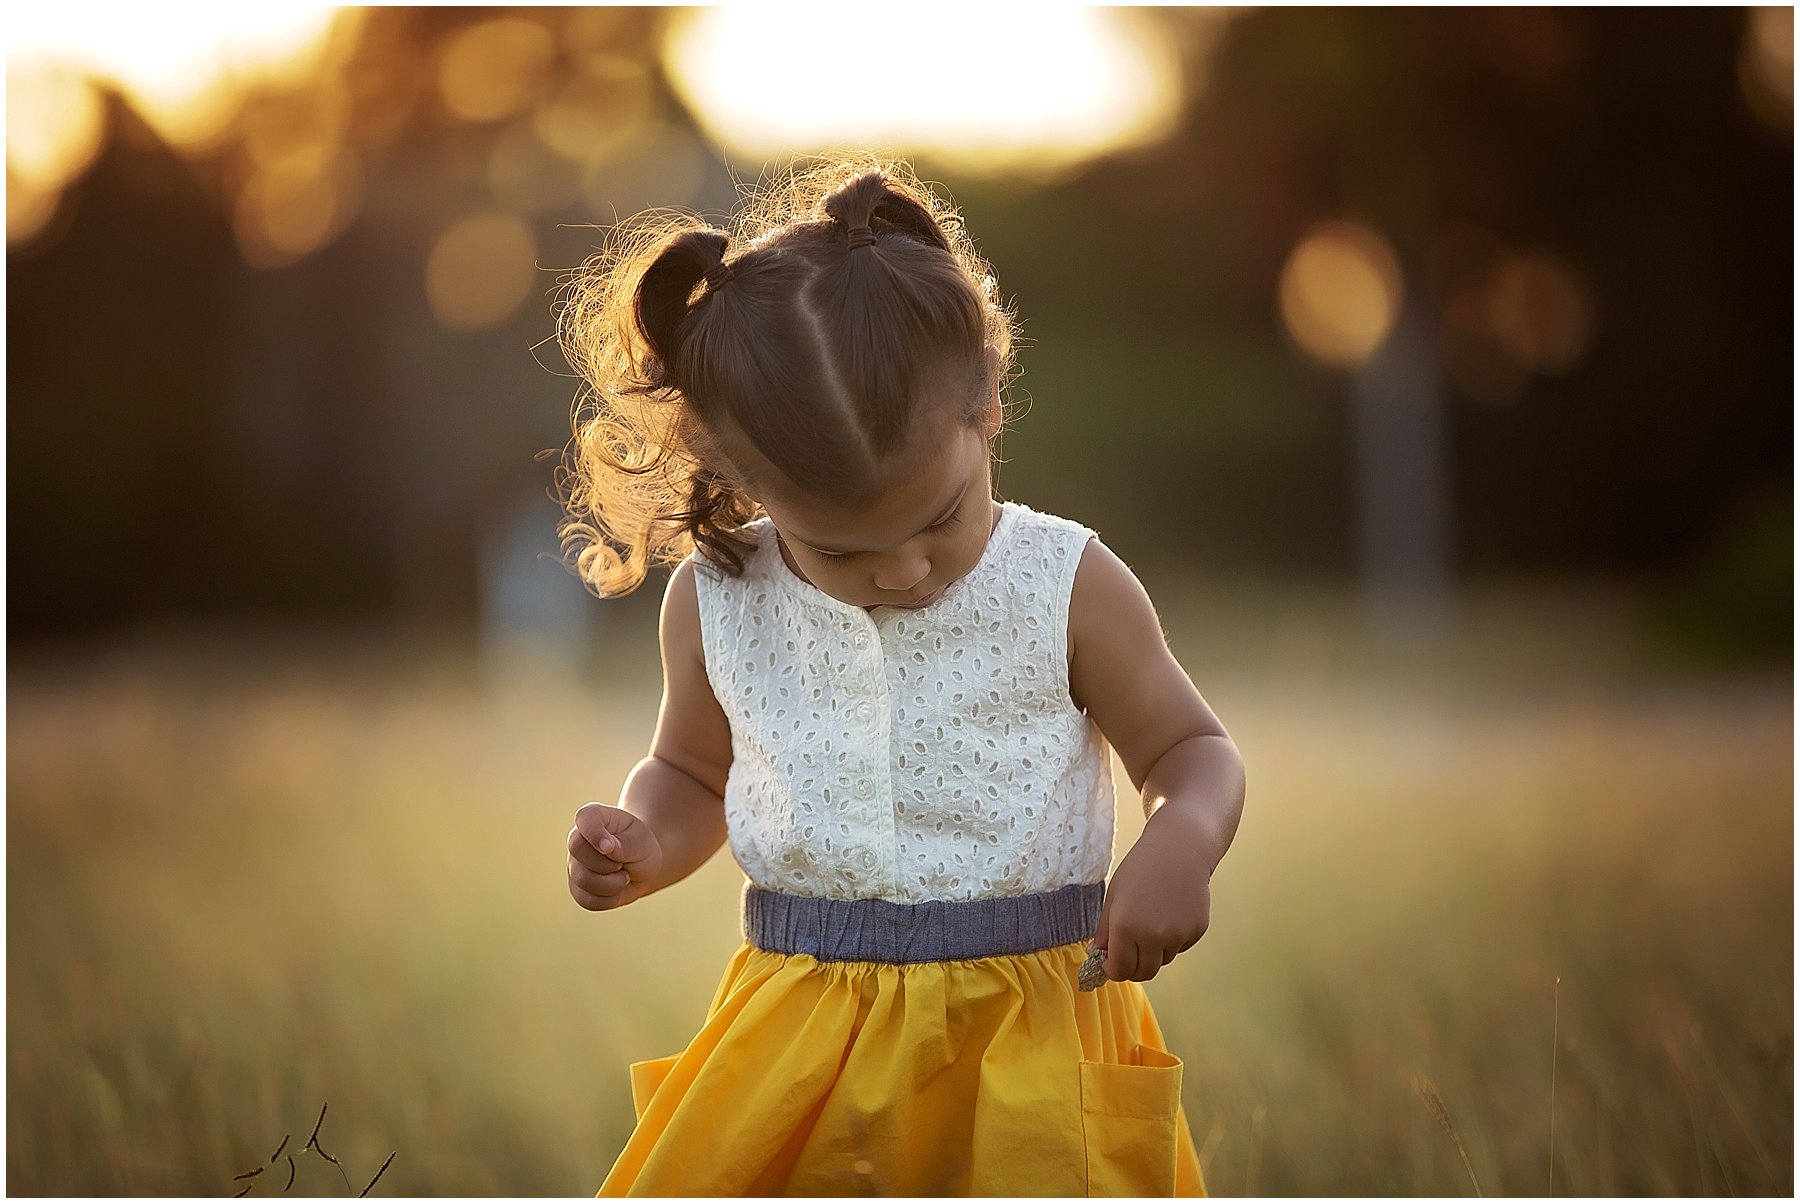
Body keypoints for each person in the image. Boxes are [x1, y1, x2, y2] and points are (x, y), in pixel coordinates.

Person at [557, 155, 1245, 1197]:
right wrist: (648, 838)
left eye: (936, 521)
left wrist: (1181, 839)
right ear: (744, 483)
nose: (904, 570)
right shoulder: (719, 599)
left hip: (1033, 1037)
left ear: (985, 410)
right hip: (802, 1040)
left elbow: (1193, 750)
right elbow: (693, 774)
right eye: (840, 551)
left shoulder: (1065, 581)